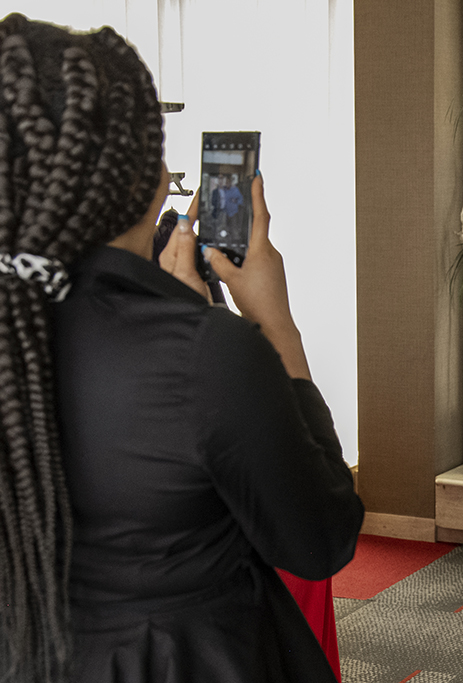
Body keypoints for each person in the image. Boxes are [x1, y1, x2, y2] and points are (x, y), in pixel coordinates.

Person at [0, 14, 363, 683]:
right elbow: (321, 536)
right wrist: (273, 324)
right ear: (145, 181)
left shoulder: (23, 336)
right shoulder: (209, 354)